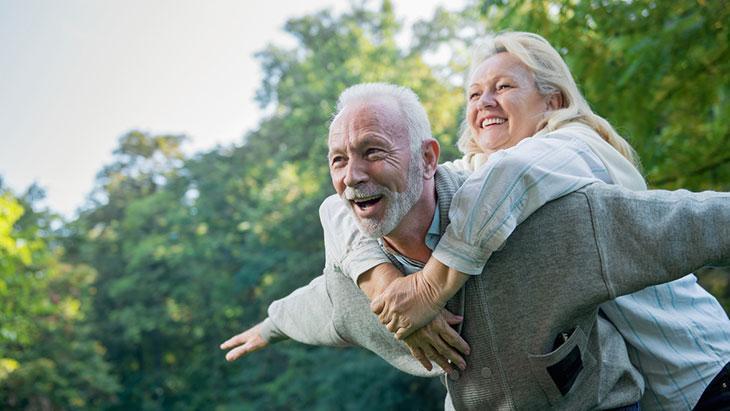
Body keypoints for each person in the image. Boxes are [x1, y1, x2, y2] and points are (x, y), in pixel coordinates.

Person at [221, 83, 730, 410]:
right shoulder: (357, 282)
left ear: (428, 159)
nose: (352, 176)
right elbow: (316, 307)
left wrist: (430, 288)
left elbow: (689, 222)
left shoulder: (547, 223)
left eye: (372, 151)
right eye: (338, 160)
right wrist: (270, 325)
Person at [341, 32, 730, 410]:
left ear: (552, 101)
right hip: (656, 395)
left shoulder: (577, 146)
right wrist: (385, 286)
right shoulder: (481, 172)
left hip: (703, 374)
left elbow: (512, 175)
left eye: (503, 87)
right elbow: (341, 208)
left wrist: (428, 290)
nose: (485, 102)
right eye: (474, 94)